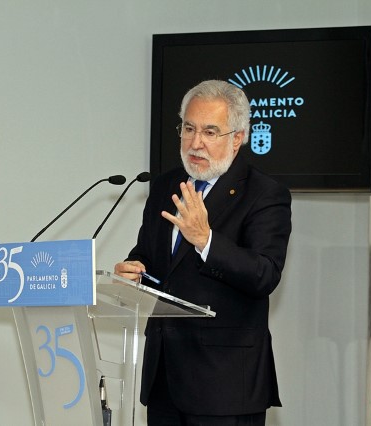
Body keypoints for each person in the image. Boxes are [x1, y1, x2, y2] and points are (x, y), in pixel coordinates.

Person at [114, 80, 292, 426]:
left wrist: (207, 241)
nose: (196, 142)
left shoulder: (264, 194)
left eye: (210, 132)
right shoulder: (166, 186)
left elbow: (264, 274)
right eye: (189, 128)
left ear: (237, 138)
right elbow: (150, 255)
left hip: (224, 384)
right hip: (164, 378)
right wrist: (133, 269)